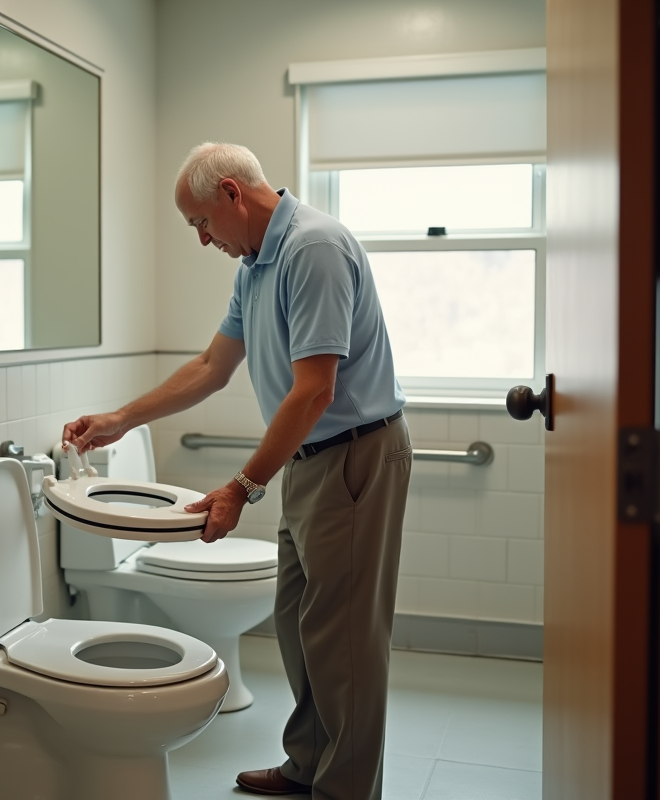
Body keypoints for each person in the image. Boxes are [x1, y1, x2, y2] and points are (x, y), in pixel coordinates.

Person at [62, 142, 411, 800]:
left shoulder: (313, 248)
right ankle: (308, 763)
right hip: (312, 460)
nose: (200, 240)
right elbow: (209, 368)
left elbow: (314, 391)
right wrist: (123, 418)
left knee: (345, 644)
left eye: (199, 223)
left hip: (356, 453)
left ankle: (345, 789)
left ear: (231, 193)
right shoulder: (254, 266)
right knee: (297, 622)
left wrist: (244, 486)